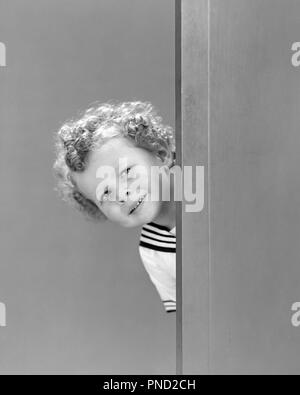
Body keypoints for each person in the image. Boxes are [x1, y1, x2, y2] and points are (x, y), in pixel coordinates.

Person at [53, 101, 176, 313]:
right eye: (105, 194)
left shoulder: (204, 187)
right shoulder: (152, 251)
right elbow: (193, 322)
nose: (121, 195)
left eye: (127, 171)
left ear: (161, 154)